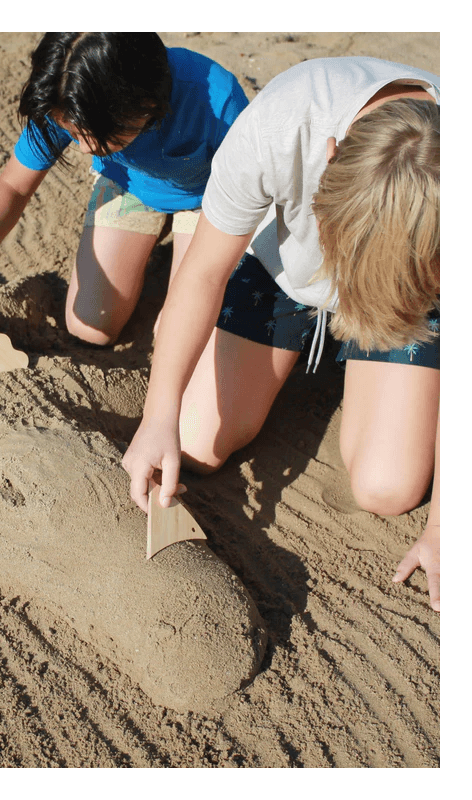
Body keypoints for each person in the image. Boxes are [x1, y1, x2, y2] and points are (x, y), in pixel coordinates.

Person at [121, 56, 440, 612]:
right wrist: (157, 416)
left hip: (404, 298)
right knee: (192, 441)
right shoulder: (283, 123)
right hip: (286, 273)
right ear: (331, 155)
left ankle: (365, 363)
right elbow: (202, 274)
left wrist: (449, 522)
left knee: (386, 488)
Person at [0, 32, 248, 347]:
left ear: (146, 103)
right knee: (90, 329)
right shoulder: (65, 92)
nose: (85, 149)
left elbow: (249, 204)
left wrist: (189, 299)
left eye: (98, 135)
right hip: (129, 184)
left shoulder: (220, 102)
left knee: (182, 336)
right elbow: (13, 186)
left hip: (210, 200)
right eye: (73, 133)